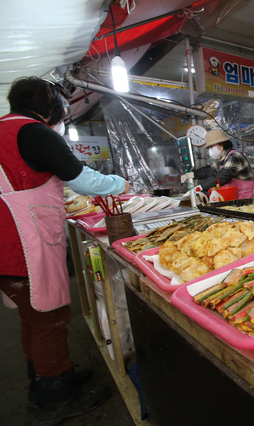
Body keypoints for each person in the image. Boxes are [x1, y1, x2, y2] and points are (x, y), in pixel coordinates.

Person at [0, 76, 130, 425]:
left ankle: (47, 378)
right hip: (25, 242)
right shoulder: (32, 131)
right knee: (49, 318)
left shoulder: (4, 129)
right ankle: (54, 397)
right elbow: (82, 179)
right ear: (49, 104)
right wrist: (122, 183)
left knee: (32, 317)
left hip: (10, 244)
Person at [189, 129, 254, 199]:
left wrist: (201, 187)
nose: (210, 150)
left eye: (211, 146)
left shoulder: (235, 156)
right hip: (235, 195)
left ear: (221, 144)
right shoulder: (223, 158)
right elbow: (208, 170)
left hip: (246, 195)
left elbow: (224, 176)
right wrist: (190, 174)